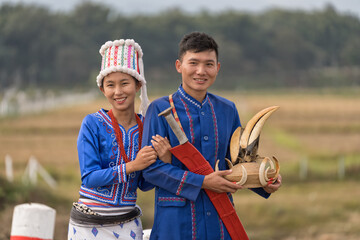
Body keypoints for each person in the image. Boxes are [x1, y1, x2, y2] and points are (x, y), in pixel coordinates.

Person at [142, 32, 282, 239]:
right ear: (179, 66)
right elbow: (150, 170)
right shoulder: (159, 109)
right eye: (193, 63)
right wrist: (202, 182)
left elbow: (237, 163)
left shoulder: (227, 109)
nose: (201, 71)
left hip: (220, 218)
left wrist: (264, 183)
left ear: (217, 68)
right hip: (175, 224)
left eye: (209, 64)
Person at [68, 39, 158, 240]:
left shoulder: (146, 126)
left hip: (128, 222)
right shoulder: (92, 123)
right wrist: (133, 166)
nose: (118, 92)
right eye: (110, 85)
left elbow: (143, 184)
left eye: (124, 83)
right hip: (88, 224)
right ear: (103, 89)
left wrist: (163, 158)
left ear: (137, 85)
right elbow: (89, 177)